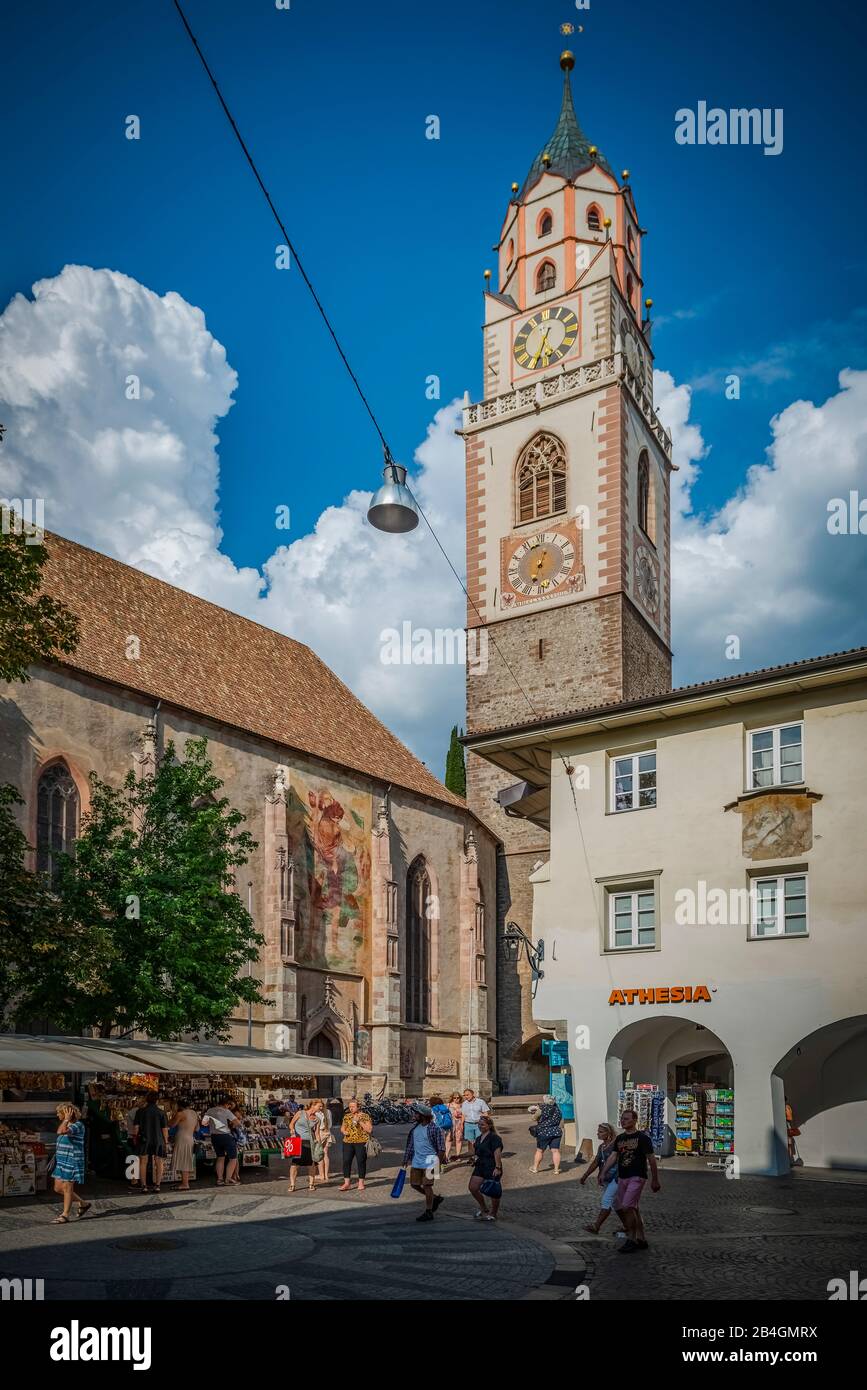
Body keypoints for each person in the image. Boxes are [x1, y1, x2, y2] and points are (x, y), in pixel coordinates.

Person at [599, 1109, 661, 1253]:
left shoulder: (643, 1138)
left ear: (634, 1121)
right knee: (633, 1208)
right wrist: (603, 1172)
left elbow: (651, 1159)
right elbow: (613, 1157)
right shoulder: (619, 1139)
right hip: (622, 1177)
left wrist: (655, 1179)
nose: (623, 1121)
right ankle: (642, 1239)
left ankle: (631, 1238)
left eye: (627, 1119)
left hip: (637, 1176)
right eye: (622, 1118)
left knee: (627, 1207)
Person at [402, 1102, 446, 1222]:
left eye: (416, 1113)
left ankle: (429, 1211)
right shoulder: (414, 1129)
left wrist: (437, 1164)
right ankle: (435, 1198)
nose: (414, 1115)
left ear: (422, 1115)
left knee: (427, 1185)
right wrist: (405, 1160)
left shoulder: (435, 1128)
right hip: (417, 1162)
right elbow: (410, 1146)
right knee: (414, 1184)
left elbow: (441, 1148)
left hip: (431, 1161)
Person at [580, 1123, 624, 1235]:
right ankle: (627, 1225)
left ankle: (596, 1226)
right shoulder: (601, 1147)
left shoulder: (616, 1144)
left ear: (608, 1133)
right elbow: (596, 1162)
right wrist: (586, 1175)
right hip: (606, 1179)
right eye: (598, 1131)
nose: (598, 1133)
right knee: (616, 1203)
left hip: (616, 1177)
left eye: (601, 1132)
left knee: (606, 1200)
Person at [52, 1103, 90, 1224]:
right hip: (62, 1161)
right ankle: (83, 1204)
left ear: (66, 1113)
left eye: (59, 1112)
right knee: (58, 1188)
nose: (57, 1114)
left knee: (67, 1187)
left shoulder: (78, 1125)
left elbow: (60, 1131)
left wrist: (67, 1119)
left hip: (72, 1160)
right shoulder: (67, 1124)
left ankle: (65, 1215)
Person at [468, 1112, 503, 1222]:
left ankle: (494, 1213)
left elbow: (497, 1152)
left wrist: (497, 1167)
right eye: (479, 1124)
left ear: (489, 1126)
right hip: (480, 1166)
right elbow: (473, 1152)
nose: (480, 1126)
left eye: (482, 1124)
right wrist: (458, 1156)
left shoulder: (494, 1137)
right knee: (473, 1188)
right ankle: (484, 1208)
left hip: (492, 1166)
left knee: (494, 1192)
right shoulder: (478, 1138)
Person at [133, 1093, 170, 1193]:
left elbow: (136, 1128)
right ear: (157, 1101)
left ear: (146, 1100)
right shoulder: (161, 1112)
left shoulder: (140, 1111)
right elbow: (165, 1129)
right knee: (159, 1162)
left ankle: (144, 1186)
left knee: (143, 1162)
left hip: (144, 1140)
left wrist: (135, 1138)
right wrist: (166, 1142)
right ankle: (157, 1185)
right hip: (158, 1140)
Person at [203, 1098, 240, 1187]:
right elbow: (237, 1122)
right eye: (228, 1105)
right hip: (225, 1136)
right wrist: (232, 1126)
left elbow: (204, 1123)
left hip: (214, 1137)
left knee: (220, 1157)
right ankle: (228, 1179)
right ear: (225, 1104)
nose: (228, 1107)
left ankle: (220, 1179)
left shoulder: (210, 1110)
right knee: (233, 1158)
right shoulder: (226, 1111)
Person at [339, 1097, 373, 1191]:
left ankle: (361, 1183)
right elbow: (342, 1128)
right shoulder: (347, 1116)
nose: (351, 1108)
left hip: (361, 1142)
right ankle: (346, 1183)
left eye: (353, 1106)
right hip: (348, 1142)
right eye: (350, 1107)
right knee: (346, 1161)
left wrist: (359, 1121)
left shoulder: (365, 1116)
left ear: (358, 1107)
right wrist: (344, 1132)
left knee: (361, 1162)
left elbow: (369, 1130)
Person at [171, 1099, 200, 1192]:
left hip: (182, 1138)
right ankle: (184, 1182)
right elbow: (197, 1128)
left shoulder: (181, 1114)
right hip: (190, 1138)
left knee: (183, 1160)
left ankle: (185, 1183)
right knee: (186, 1160)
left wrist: (173, 1115)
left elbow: (171, 1124)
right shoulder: (194, 1113)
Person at [288, 1102, 317, 1193]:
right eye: (319, 1106)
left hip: (310, 1142)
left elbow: (316, 1133)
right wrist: (292, 1132)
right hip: (298, 1141)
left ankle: (311, 1184)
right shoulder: (300, 1113)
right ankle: (292, 1185)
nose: (320, 1108)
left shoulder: (317, 1119)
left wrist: (318, 1144)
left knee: (311, 1164)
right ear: (313, 1105)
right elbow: (291, 1124)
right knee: (295, 1164)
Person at [531, 1094, 564, 1175]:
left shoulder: (541, 1109)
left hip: (543, 1132)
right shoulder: (558, 1109)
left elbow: (534, 1118)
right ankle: (556, 1170)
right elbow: (559, 1119)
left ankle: (535, 1168)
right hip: (556, 1131)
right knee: (555, 1151)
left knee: (540, 1150)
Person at [309, 1098, 334, 1183]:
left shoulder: (315, 1113)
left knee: (319, 1154)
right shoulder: (328, 1112)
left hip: (319, 1133)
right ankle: (326, 1175)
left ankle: (321, 1175)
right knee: (326, 1154)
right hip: (327, 1132)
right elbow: (330, 1124)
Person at [429, 1093, 453, 1160]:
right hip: (447, 1128)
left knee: (438, 1146)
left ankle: (439, 1160)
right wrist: (451, 1132)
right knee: (447, 1142)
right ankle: (446, 1156)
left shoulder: (433, 1110)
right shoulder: (446, 1109)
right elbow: (451, 1119)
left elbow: (432, 1121)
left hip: (438, 1129)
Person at [448, 1092, 465, 1160]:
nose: (456, 1099)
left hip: (459, 1124)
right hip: (450, 1124)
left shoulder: (462, 1105)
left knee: (458, 1139)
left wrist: (460, 1117)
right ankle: (446, 1156)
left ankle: (458, 1155)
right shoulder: (449, 1105)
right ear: (452, 1098)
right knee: (449, 1140)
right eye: (454, 1098)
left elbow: (465, 1115)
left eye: (458, 1098)